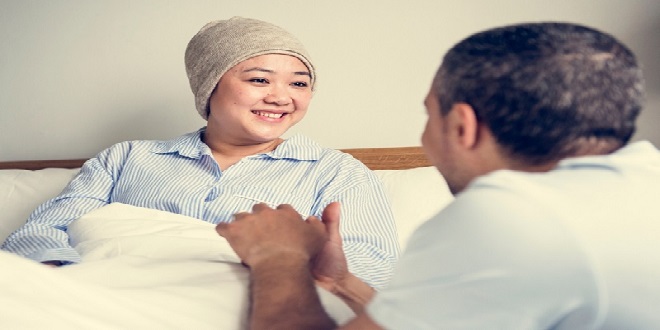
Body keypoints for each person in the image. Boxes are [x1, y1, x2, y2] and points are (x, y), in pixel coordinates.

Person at [216, 22, 660, 329]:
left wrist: (278, 257)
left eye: (427, 115)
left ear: (462, 126)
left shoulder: (510, 217)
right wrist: (339, 284)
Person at [1, 17, 400, 289]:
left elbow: (375, 267)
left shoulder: (337, 172)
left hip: (252, 308)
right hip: (106, 294)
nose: (281, 97)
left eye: (299, 83)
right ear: (210, 86)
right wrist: (62, 287)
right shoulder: (126, 159)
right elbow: (41, 231)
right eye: (259, 79)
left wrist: (283, 264)